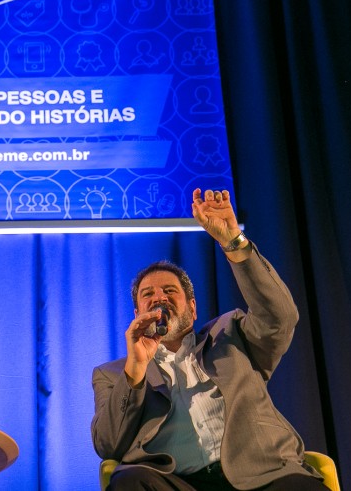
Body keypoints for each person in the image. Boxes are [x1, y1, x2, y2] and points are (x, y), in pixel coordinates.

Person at [91, 188, 328, 490]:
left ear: (192, 308)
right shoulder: (111, 375)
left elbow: (281, 316)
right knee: (129, 482)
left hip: (262, 476)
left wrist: (233, 241)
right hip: (175, 483)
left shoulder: (232, 334)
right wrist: (136, 370)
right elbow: (107, 445)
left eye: (170, 291)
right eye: (148, 294)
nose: (159, 297)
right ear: (137, 313)